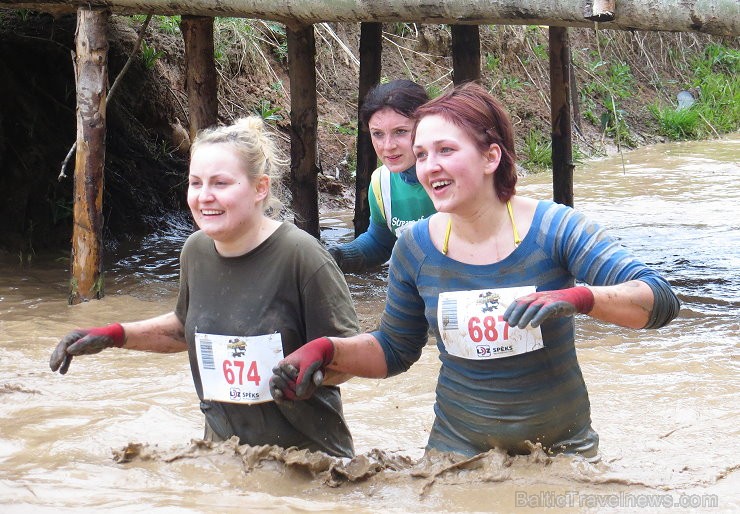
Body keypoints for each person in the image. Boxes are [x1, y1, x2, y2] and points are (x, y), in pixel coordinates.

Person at [270, 83, 681, 459]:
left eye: (446, 151)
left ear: (491, 156)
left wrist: (579, 298)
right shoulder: (414, 248)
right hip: (456, 453)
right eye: (424, 153)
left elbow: (659, 298)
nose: (430, 166)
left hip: (562, 452)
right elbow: (394, 350)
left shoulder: (555, 229)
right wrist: (326, 351)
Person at [50, 116, 359, 458]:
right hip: (224, 458)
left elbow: (350, 357)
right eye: (195, 183)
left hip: (309, 462)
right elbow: (185, 329)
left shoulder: (301, 256)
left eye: (221, 183)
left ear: (260, 188)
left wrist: (309, 377)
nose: (204, 197)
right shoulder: (195, 251)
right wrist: (114, 334)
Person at [328, 79, 436, 272]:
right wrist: (333, 257)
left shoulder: (454, 177)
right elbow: (380, 242)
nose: (388, 146)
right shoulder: (382, 182)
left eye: (400, 132)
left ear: (427, 126)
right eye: (377, 134)